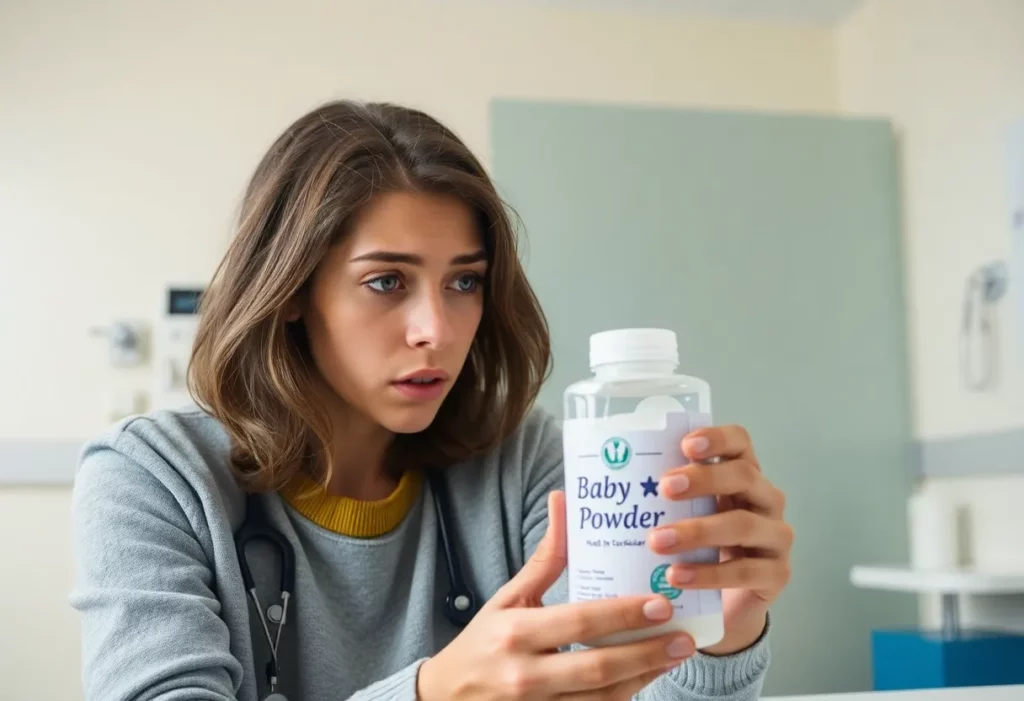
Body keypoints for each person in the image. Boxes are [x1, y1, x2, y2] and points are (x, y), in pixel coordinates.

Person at [70, 100, 794, 701]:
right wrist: (429, 692)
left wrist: (717, 635)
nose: (438, 331)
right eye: (387, 281)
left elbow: (615, 675)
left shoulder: (525, 460)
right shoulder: (151, 477)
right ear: (291, 290)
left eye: (464, 281)